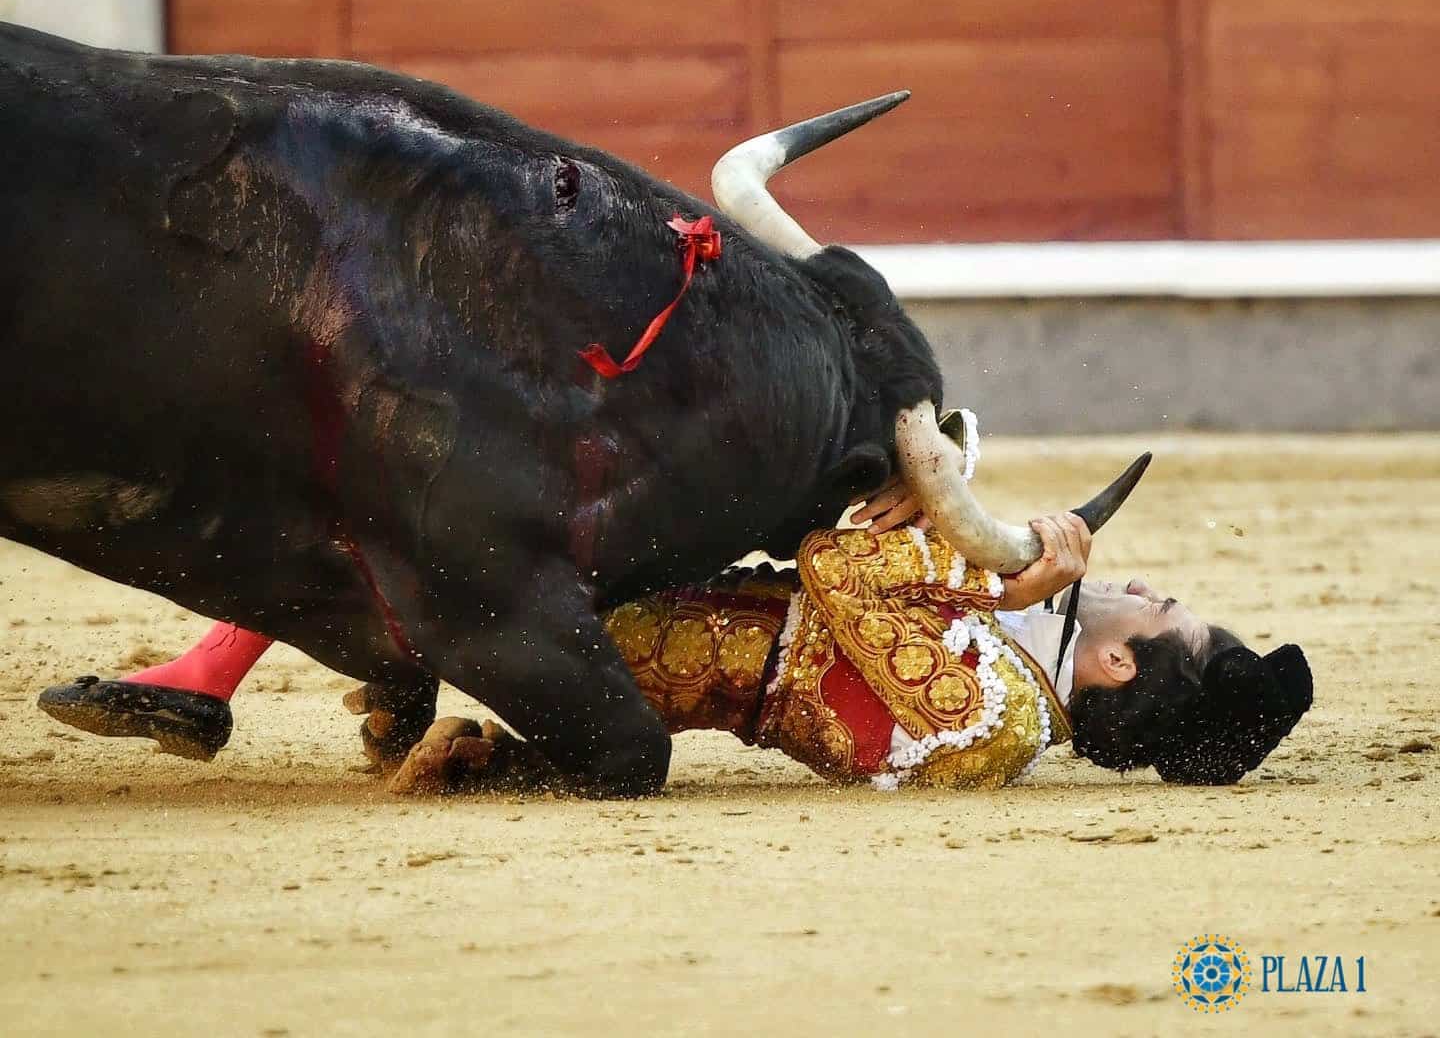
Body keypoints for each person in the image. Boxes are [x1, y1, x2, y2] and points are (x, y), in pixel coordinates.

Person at [38, 477, 1312, 791]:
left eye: (1159, 605)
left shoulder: (992, 713)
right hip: (662, 646)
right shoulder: (1009, 705)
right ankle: (249, 672)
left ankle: (208, 668)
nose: (1143, 584)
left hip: (621, 638)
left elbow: (838, 565)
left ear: (1120, 661)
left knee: (400, 513)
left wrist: (989, 545)